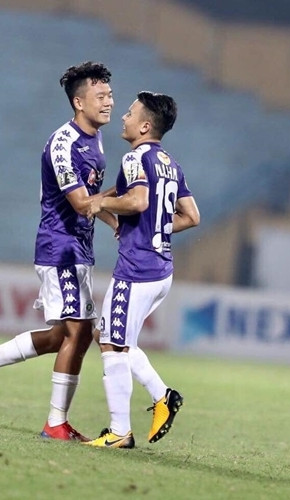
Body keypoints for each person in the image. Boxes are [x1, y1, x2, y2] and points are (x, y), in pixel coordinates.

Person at [0, 61, 118, 441]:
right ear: (79, 102)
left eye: (110, 95)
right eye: (100, 96)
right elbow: (81, 202)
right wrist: (127, 191)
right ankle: (55, 423)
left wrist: (113, 221)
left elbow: (92, 200)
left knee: (64, 336)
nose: (109, 102)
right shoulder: (63, 144)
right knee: (79, 331)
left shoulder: (95, 139)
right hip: (60, 248)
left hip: (79, 246)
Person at [83, 91, 200, 449]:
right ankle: (163, 397)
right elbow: (191, 216)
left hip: (137, 269)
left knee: (113, 346)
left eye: (130, 113)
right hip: (161, 268)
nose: (123, 117)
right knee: (111, 337)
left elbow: (137, 201)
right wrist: (154, 228)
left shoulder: (135, 158)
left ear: (145, 126)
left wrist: (101, 203)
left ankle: (120, 431)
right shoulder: (169, 164)